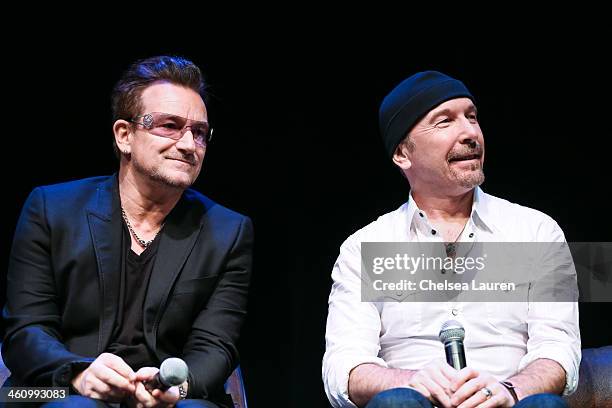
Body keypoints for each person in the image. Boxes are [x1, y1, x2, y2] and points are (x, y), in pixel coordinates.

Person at [2, 56, 253, 408]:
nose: (188, 144)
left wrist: (177, 388)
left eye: (199, 133)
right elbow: (26, 330)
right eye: (169, 125)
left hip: (171, 398)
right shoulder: (51, 208)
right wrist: (79, 373)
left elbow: (215, 345)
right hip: (56, 388)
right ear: (124, 135)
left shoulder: (227, 230)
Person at [322, 71, 580, 408]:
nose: (470, 133)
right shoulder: (364, 247)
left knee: (544, 405)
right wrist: (410, 381)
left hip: (506, 402)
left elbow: (557, 348)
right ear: (402, 154)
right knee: (395, 403)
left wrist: (510, 390)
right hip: (415, 403)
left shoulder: (537, 231)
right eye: (445, 122)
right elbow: (344, 367)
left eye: (471, 117)